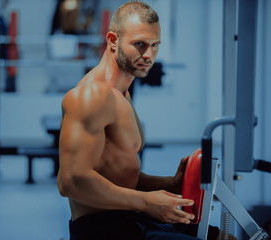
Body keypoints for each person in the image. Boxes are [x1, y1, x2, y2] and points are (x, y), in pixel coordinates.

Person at [57, 1, 222, 239]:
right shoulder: (91, 95)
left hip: (130, 217)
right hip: (103, 230)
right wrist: (145, 201)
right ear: (113, 40)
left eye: (155, 45)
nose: (148, 55)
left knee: (220, 235)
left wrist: (169, 184)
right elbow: (71, 181)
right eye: (139, 44)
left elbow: (116, 173)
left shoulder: (122, 94)